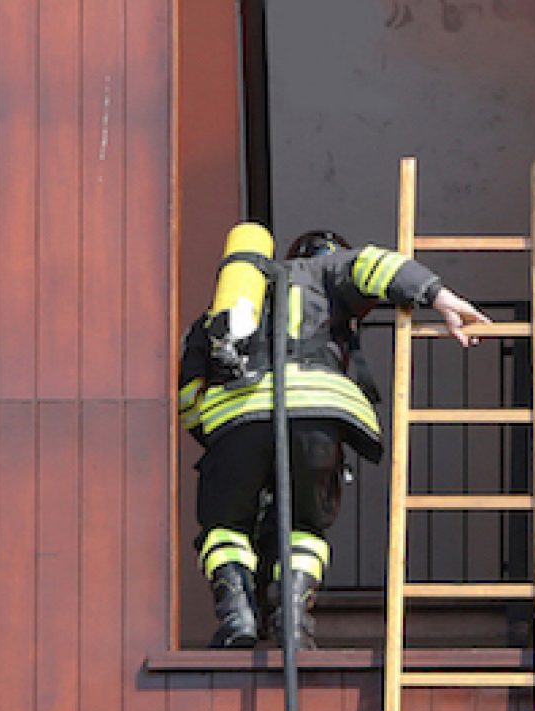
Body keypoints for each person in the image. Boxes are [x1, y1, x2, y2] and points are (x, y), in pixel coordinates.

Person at [177, 222, 490, 648]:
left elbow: (189, 397)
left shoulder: (222, 313)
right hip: (318, 413)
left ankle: (237, 618)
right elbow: (376, 264)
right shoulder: (326, 272)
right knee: (306, 524)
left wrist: (223, 441)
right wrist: (442, 298)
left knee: (225, 526)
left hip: (236, 421)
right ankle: (294, 622)